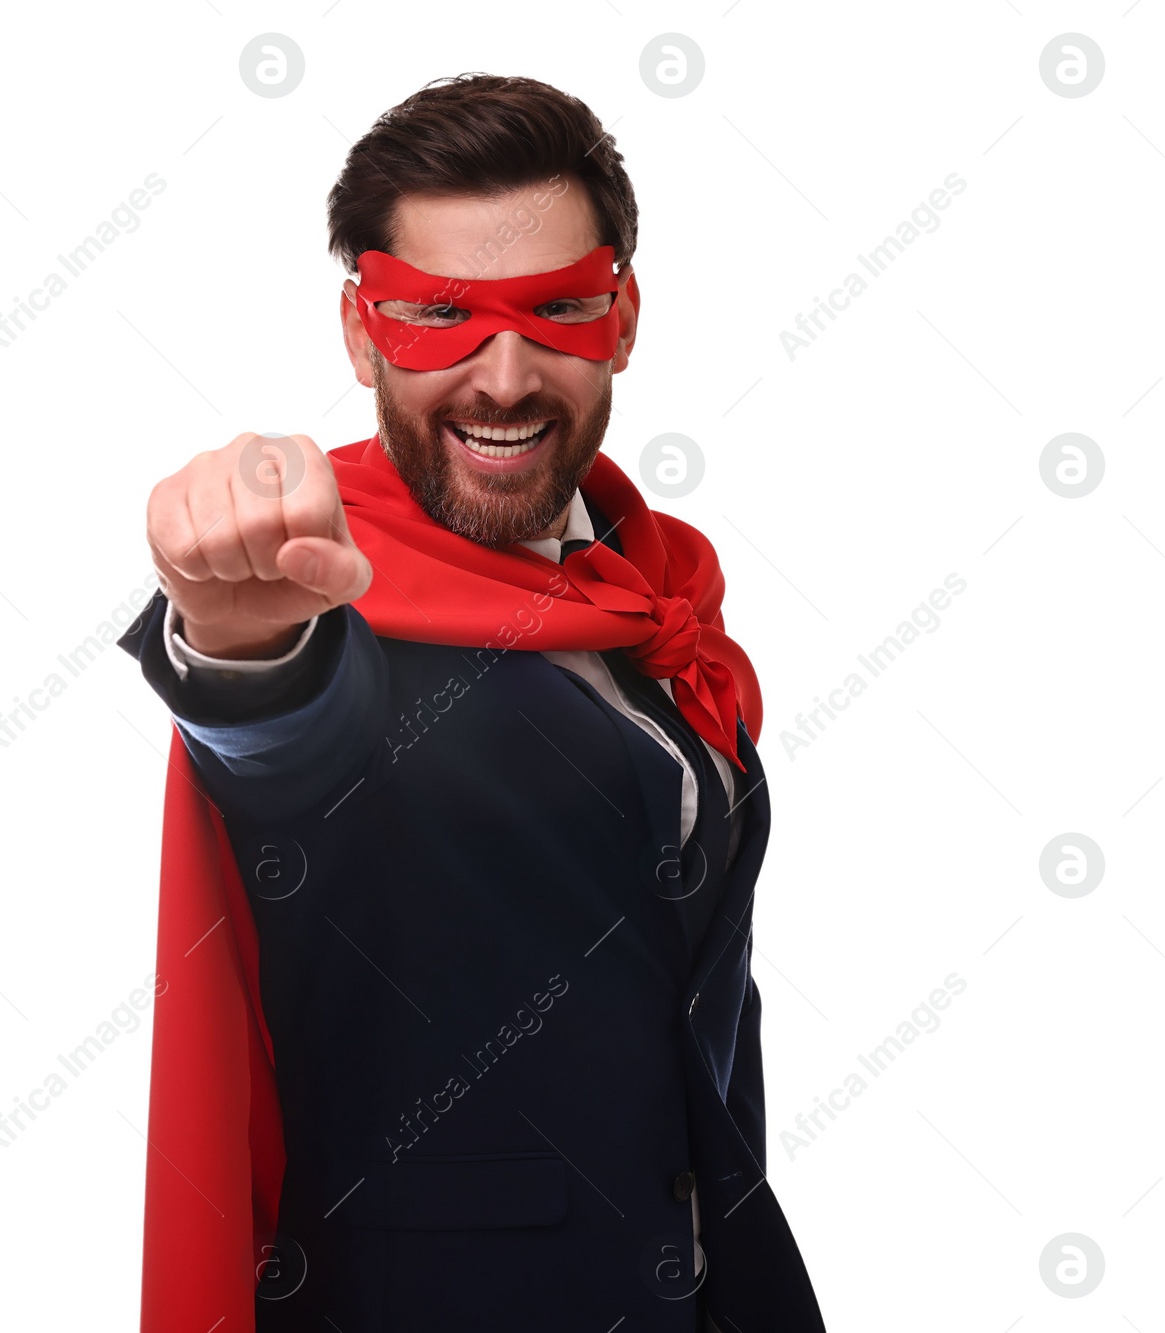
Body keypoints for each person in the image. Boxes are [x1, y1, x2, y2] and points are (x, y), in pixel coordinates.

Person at [120, 73, 827, 1332]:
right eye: (438, 316)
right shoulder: (326, 593)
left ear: (622, 319)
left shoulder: (650, 587)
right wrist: (232, 635)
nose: (503, 378)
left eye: (558, 309)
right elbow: (283, 734)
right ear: (359, 334)